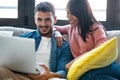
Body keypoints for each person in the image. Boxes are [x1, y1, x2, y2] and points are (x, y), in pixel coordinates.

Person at [0, 2, 73, 80]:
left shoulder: (63, 45)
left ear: (54, 20)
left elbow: (64, 71)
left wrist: (50, 75)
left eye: (47, 20)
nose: (43, 24)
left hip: (48, 78)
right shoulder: (24, 38)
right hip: (24, 77)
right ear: (35, 19)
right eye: (39, 19)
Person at [54, 0, 120, 79]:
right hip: (87, 69)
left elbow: (100, 49)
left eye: (73, 14)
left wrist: (75, 61)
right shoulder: (71, 28)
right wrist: (56, 32)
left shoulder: (96, 28)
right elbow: (53, 27)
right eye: (68, 13)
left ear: (81, 14)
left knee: (88, 76)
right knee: (85, 76)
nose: (68, 16)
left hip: (105, 66)